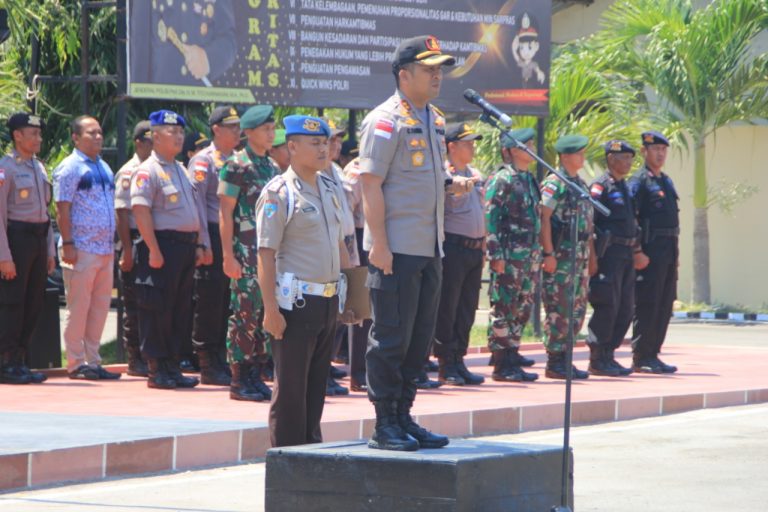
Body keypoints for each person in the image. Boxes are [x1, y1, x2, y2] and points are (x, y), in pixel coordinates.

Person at [359, 35, 459, 452]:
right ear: (404, 75)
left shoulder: (433, 118)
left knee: (419, 338)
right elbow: (370, 183)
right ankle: (385, 424)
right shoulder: (385, 120)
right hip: (396, 248)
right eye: (429, 68)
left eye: (440, 68)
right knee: (391, 338)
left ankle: (404, 416)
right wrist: (378, 243)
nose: (437, 75)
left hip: (429, 246)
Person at [256, 114, 352, 447]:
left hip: (326, 303)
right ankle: (285, 460)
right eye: (315, 143)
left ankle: (312, 458)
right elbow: (266, 254)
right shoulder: (279, 193)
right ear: (292, 147)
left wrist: (352, 299)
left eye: (325, 142)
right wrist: (270, 310)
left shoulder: (329, 187)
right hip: (296, 303)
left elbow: (341, 243)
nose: (323, 149)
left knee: (315, 390)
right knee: (292, 392)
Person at [131, 109, 210, 389]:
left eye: (180, 132)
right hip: (162, 246)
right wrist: (152, 248)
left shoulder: (180, 169)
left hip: (185, 248)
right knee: (157, 309)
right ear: (155, 136)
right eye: (171, 132)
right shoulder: (148, 170)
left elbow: (194, 212)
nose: (178, 137)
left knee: (179, 310)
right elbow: (140, 211)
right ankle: (157, 368)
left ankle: (172, 366)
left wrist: (200, 244)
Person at [53, 116, 121, 380]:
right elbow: (62, 208)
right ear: (75, 137)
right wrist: (68, 243)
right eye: (91, 133)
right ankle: (75, 363)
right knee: (79, 306)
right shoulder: (69, 168)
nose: (98, 137)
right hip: (80, 248)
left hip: (104, 248)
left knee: (100, 306)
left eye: (100, 132)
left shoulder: (103, 166)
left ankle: (93, 361)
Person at [218, 104, 278, 401]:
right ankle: (239, 379)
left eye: (273, 128)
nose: (272, 134)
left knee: (265, 314)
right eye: (266, 129)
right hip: (244, 253)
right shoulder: (236, 165)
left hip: (268, 255)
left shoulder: (272, 167)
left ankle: (256, 373)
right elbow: (225, 213)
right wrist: (228, 256)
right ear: (249, 132)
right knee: (244, 315)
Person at [187, 105, 241, 386]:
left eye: (238, 126)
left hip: (233, 236)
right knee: (209, 301)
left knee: (228, 301)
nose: (237, 132)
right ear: (216, 129)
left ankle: (223, 356)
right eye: (231, 127)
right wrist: (202, 243)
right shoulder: (203, 161)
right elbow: (196, 203)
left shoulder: (238, 159)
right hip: (210, 233)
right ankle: (207, 362)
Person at [0, 113, 55, 384]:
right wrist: (4, 256)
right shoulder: (5, 168)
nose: (38, 138)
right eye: (32, 133)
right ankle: (6, 361)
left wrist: (50, 251)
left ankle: (20, 359)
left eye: (39, 133)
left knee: (34, 302)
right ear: (17, 135)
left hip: (37, 239)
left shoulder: (39, 168)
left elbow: (45, 213)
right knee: (12, 303)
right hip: (16, 239)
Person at [587, 140, 648, 377]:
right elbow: (590, 224)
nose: (629, 162)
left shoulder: (625, 187)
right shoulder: (601, 187)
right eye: (624, 157)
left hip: (625, 254)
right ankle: (597, 357)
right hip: (608, 254)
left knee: (624, 308)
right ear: (611, 159)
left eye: (631, 158)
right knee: (607, 304)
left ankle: (609, 353)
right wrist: (592, 257)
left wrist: (635, 251)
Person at [485, 127, 542, 383]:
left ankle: (513, 354)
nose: (531, 148)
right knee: (504, 306)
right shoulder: (502, 179)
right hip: (508, 255)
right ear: (511, 149)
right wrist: (495, 255)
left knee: (522, 307)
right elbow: (492, 218)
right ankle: (501, 362)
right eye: (526, 144)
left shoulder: (528, 179)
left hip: (528, 255)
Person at [432, 122, 486, 386]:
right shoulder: (443, 173)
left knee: (467, 308)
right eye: (467, 143)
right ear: (451, 146)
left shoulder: (474, 173)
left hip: (475, 250)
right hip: (454, 247)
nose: (472, 147)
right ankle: (445, 362)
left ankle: (459, 359)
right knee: (448, 308)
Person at [540, 135, 595, 380]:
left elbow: (589, 225)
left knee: (577, 309)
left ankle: (566, 358)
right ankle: (554, 360)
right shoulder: (555, 183)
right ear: (564, 157)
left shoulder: (581, 186)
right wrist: (548, 253)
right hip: (561, 257)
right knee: (558, 307)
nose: (582, 157)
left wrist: (591, 257)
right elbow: (544, 218)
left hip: (579, 257)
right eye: (578, 153)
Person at [628, 131, 679, 374]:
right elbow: (632, 218)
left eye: (663, 149)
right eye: (655, 149)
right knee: (648, 303)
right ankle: (641, 355)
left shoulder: (665, 182)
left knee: (664, 303)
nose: (660, 154)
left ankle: (653, 353)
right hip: (649, 251)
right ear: (644, 152)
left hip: (668, 251)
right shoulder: (639, 182)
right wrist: (637, 250)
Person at [115, 120, 153, 377]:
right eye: (151, 140)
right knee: (134, 302)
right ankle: (134, 359)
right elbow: (121, 212)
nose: (154, 145)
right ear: (139, 142)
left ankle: (147, 355)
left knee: (151, 301)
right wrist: (127, 250)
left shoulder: (157, 169)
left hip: (150, 239)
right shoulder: (129, 171)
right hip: (133, 239)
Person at [131, 0, 236, 86]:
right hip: (160, 92)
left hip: (198, 96)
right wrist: (139, 96)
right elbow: (140, 40)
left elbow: (228, 42)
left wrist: (208, 58)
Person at [323, 119, 354, 397]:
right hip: (326, 247)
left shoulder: (337, 171)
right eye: (330, 139)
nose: (335, 144)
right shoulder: (314, 173)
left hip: (347, 243)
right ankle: (320, 372)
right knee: (327, 313)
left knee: (342, 312)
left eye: (337, 140)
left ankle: (328, 364)